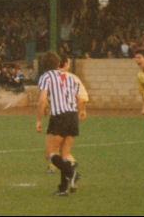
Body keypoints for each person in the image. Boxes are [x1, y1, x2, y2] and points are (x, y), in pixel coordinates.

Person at [36, 51, 85, 196]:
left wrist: (39, 120)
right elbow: (80, 100)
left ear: (44, 65)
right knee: (65, 154)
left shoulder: (46, 77)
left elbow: (42, 100)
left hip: (58, 116)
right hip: (72, 117)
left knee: (49, 153)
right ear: (58, 63)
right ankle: (63, 188)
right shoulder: (71, 78)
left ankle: (72, 174)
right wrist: (79, 112)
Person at [46, 54, 88, 173]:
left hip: (59, 114)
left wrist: (44, 108)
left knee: (55, 144)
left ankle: (65, 164)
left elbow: (45, 96)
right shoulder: (72, 78)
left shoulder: (50, 77)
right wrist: (82, 110)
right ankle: (67, 165)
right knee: (62, 142)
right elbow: (83, 96)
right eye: (68, 62)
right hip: (71, 114)